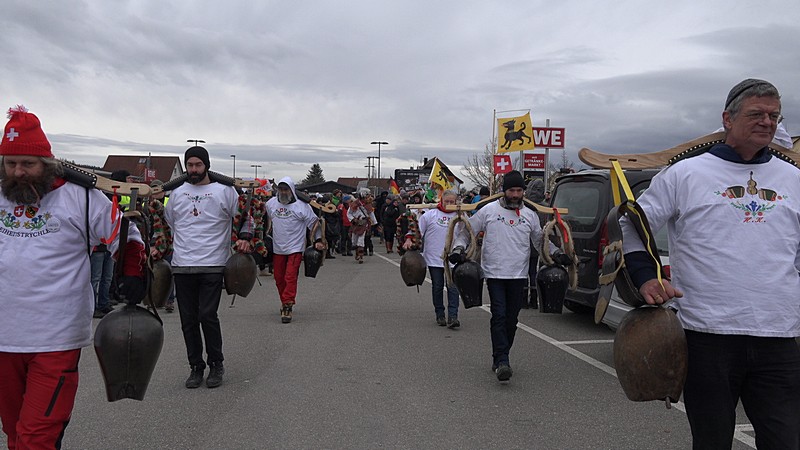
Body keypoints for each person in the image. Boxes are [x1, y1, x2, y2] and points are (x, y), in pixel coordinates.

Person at [621, 79, 800, 449]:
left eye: (774, 115)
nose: (767, 122)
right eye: (756, 114)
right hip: (707, 335)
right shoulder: (685, 174)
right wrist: (646, 277)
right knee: (712, 441)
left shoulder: (794, 179)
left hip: (779, 336)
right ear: (727, 119)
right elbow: (632, 223)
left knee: (785, 440)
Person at [0, 106, 146, 449]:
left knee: (35, 438)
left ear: (46, 163)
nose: (18, 172)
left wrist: (131, 272)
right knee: (15, 433)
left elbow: (127, 236)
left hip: (56, 337)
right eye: (10, 163)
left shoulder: (81, 196)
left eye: (27, 164)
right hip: (4, 338)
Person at [451, 170, 564, 382]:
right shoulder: (488, 211)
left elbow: (540, 241)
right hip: (494, 273)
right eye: (512, 190)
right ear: (504, 191)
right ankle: (503, 360)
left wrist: (557, 253)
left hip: (518, 274)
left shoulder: (530, 215)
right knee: (499, 315)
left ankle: (500, 356)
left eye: (519, 190)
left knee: (512, 319)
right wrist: (458, 248)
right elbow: (467, 232)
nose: (515, 194)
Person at [163, 146, 251, 389]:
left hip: (213, 263)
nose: (193, 170)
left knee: (207, 315)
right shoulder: (177, 193)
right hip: (183, 265)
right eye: (190, 165)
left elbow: (245, 216)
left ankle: (216, 364)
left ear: (207, 165)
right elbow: (170, 223)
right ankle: (196, 366)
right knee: (188, 320)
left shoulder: (225, 191)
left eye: (198, 165)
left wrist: (244, 237)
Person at [265, 177, 324, 323]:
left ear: (291, 190)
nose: (283, 192)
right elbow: (267, 220)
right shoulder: (271, 204)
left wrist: (318, 240)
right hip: (278, 248)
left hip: (295, 248)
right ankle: (284, 300)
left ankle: (288, 305)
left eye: (286, 189)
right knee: (279, 278)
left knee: (290, 277)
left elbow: (314, 224)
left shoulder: (302, 207)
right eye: (281, 189)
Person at [403, 189, 461, 327]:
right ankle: (440, 314)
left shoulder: (460, 216)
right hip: (434, 258)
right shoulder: (430, 215)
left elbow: (469, 231)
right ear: (441, 200)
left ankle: (453, 316)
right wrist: (409, 239)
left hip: (452, 258)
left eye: (452, 202)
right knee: (437, 286)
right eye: (446, 201)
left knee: (453, 288)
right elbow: (417, 230)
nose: (449, 204)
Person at [147, 179, 175, 312]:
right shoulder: (146, 205)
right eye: (153, 190)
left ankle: (169, 300)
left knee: (168, 271)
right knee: (151, 272)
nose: (155, 193)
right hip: (151, 242)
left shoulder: (169, 203)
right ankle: (151, 298)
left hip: (166, 242)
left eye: (157, 189)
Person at [347, 191, 376, 263]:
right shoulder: (354, 204)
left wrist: (374, 223)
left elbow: (371, 214)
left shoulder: (368, 205)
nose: (367, 198)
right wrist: (353, 219)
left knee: (361, 239)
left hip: (364, 223)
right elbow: (349, 213)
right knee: (354, 241)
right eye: (366, 197)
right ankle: (357, 252)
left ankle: (361, 256)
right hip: (355, 223)